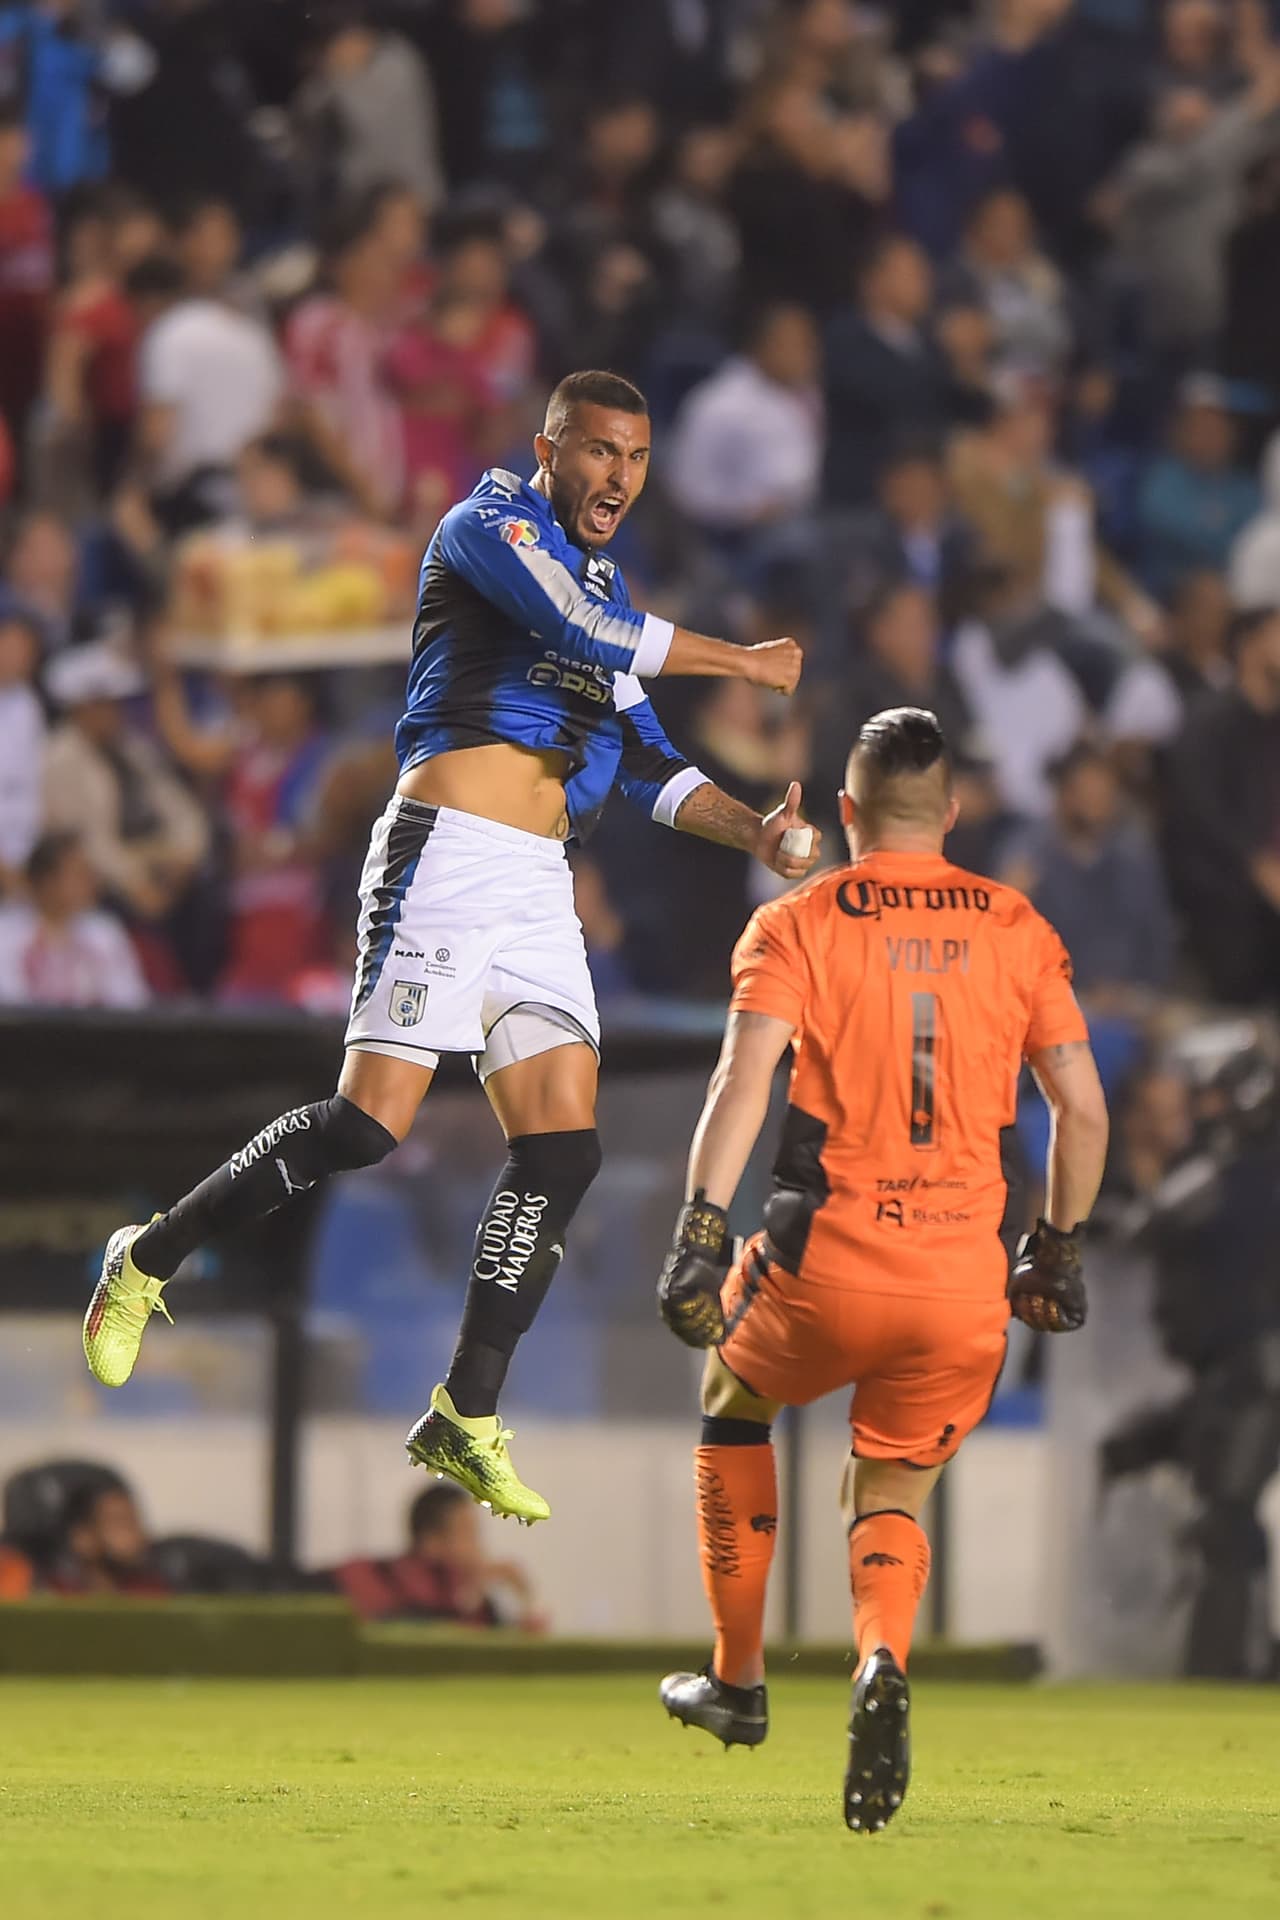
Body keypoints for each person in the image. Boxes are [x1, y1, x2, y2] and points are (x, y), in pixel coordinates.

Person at [82, 369, 817, 1527]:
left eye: (633, 457)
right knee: (369, 1125)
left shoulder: (609, 591)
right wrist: (744, 660)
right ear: (549, 448)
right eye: (597, 451)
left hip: (535, 880)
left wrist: (756, 831)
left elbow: (645, 765)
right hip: (448, 847)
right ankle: (146, 1257)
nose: (616, 475)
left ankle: (464, 1413)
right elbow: (578, 631)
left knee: (562, 1149)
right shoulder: (489, 528)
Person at [653, 706, 1108, 1830]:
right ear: (950, 815)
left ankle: (738, 1678)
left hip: (825, 1264)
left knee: (731, 1397)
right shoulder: (1017, 926)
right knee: (892, 1481)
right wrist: (1053, 1247)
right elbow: (1082, 1112)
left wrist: (702, 1230)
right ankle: (878, 1661)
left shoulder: (796, 923)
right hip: (960, 1283)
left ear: (846, 812)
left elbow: (739, 1086)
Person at [334, 1481, 544, 1629]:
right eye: (467, 1534)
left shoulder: (472, 1600)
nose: (477, 1549)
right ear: (431, 1541)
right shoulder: (383, 1578)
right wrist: (470, 1597)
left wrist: (526, 1600)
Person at [0, 831, 149, 1009]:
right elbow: (10, 1007)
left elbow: (131, 1003)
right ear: (46, 881)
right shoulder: (6, 933)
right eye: (78, 873)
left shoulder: (104, 932)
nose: (90, 881)